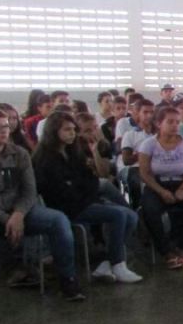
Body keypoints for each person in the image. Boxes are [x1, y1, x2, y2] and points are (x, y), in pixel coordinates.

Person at [0, 107, 86, 319]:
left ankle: (67, 279)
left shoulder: (19, 154)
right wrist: (5, 218)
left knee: (58, 220)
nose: (4, 130)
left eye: (6, 126)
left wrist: (18, 214)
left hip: (19, 210)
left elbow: (29, 191)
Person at [33, 112, 143, 283]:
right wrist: (80, 187)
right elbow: (59, 190)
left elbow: (91, 179)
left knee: (131, 215)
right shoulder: (45, 158)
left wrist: (80, 184)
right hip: (66, 207)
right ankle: (117, 263)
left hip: (85, 200)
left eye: (73, 129)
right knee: (119, 214)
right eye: (67, 130)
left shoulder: (73, 152)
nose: (72, 133)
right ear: (54, 131)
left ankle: (107, 262)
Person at [138, 106, 183, 269]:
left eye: (177, 122)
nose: (175, 126)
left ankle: (181, 246)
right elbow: (144, 173)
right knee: (150, 210)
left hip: (181, 182)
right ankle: (166, 251)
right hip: (156, 184)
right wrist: (161, 191)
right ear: (158, 123)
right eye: (170, 122)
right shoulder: (148, 144)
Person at [118, 99, 156, 206]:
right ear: (138, 114)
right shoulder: (130, 135)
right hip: (136, 168)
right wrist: (144, 153)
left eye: (152, 112)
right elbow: (126, 160)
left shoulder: (160, 134)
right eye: (145, 112)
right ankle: (138, 208)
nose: (149, 115)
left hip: (156, 166)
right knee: (136, 178)